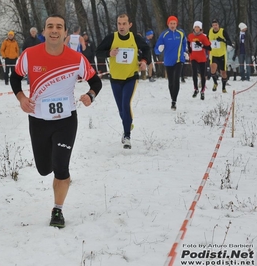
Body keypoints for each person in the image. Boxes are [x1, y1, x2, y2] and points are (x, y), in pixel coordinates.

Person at [10, 14, 102, 228]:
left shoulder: (76, 58)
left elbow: (96, 81)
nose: (54, 30)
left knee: (61, 167)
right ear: (43, 32)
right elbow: (15, 77)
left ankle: (58, 210)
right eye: (50, 26)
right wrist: (22, 98)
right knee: (44, 169)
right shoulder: (29, 55)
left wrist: (90, 96)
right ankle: (56, 170)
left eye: (59, 27)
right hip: (38, 120)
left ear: (65, 33)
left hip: (66, 120)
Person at [96, 13, 150, 149]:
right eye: (119, 23)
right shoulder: (111, 38)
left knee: (126, 104)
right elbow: (97, 52)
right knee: (121, 109)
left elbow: (146, 49)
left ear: (129, 25)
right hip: (115, 78)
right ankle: (128, 123)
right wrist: (109, 53)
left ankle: (127, 136)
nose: (121, 26)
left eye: (124, 23)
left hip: (131, 77)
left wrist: (144, 61)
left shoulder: (135, 38)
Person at [154, 15, 187, 111]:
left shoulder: (181, 33)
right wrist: (159, 50)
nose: (172, 25)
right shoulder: (164, 35)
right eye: (171, 23)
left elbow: (184, 43)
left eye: (174, 23)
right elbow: (156, 49)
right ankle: (172, 97)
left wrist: (185, 52)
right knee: (171, 81)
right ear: (168, 24)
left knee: (176, 79)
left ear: (177, 24)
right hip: (168, 61)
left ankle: (174, 101)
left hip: (179, 60)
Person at [187, 21, 211, 100]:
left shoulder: (203, 37)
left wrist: (201, 45)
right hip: (193, 57)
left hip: (202, 58)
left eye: (198, 27)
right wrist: (189, 49)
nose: (196, 29)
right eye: (195, 27)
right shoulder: (190, 36)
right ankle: (196, 89)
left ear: (200, 28)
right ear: (193, 28)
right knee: (194, 73)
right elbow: (188, 42)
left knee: (202, 74)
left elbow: (209, 48)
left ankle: (202, 91)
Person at [208, 19, 232, 93]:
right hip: (213, 54)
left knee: (223, 72)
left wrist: (222, 40)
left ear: (218, 25)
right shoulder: (210, 32)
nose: (215, 27)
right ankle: (215, 83)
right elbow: (208, 40)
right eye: (213, 25)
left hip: (222, 54)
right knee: (212, 69)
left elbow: (230, 42)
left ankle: (223, 87)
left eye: (216, 25)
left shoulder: (223, 31)